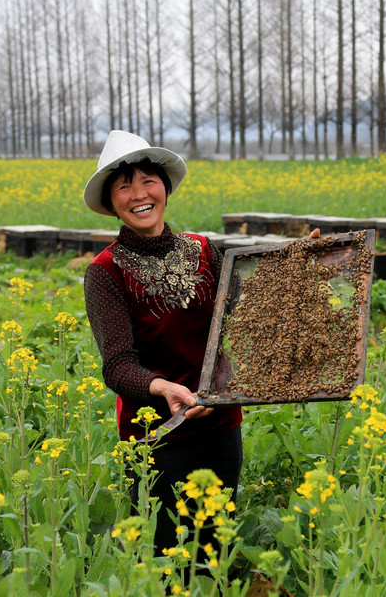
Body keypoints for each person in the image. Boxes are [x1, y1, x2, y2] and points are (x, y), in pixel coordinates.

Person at [82, 130, 243, 553]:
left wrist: (301, 266)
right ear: (113, 203)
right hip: (157, 435)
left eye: (148, 180)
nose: (139, 194)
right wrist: (166, 389)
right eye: (124, 185)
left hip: (222, 423)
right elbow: (118, 365)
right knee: (166, 554)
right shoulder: (106, 271)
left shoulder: (205, 250)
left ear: (165, 188)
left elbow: (251, 314)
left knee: (215, 549)